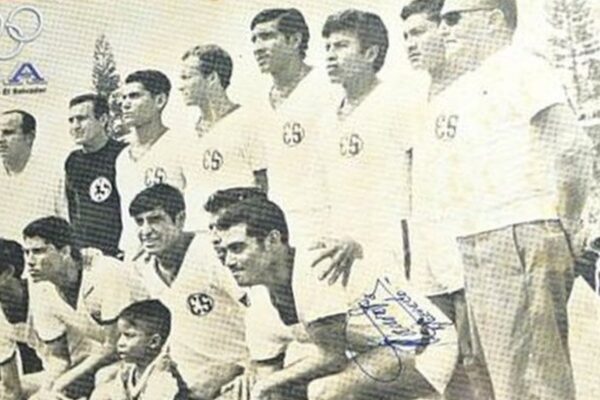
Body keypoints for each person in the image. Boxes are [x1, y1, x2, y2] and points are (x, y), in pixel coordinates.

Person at [430, 0, 593, 398]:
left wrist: (570, 221)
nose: (443, 28)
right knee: (511, 385)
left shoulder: (520, 66)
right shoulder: (472, 85)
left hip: (517, 235)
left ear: (493, 19)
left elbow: (571, 148)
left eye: (453, 18)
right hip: (484, 239)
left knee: (534, 385)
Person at [215, 196, 457, 400]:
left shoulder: (314, 266)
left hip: (426, 344)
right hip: (377, 352)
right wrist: (257, 388)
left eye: (238, 248)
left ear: (272, 240)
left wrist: (266, 385)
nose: (228, 261)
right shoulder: (258, 305)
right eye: (224, 252)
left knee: (325, 391)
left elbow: (332, 358)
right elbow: (267, 379)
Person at [400, 1, 477, 398]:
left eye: (419, 32)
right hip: (426, 243)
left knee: (475, 355)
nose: (410, 43)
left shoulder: (473, 89)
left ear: (444, 30)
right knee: (439, 356)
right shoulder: (414, 99)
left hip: (465, 241)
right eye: (406, 36)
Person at [319, 9, 415, 292]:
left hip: (390, 245)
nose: (330, 55)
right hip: (343, 249)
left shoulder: (397, 104)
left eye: (341, 46)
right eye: (327, 47)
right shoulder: (327, 119)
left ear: (371, 53)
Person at [128, 184, 248, 399]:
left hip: (234, 370)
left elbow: (258, 311)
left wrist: (244, 366)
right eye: (139, 222)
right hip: (182, 379)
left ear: (180, 219)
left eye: (155, 220)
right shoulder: (143, 268)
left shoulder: (212, 254)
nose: (146, 230)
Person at [23, 217, 140, 399]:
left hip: (150, 352)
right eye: (26, 252)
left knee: (103, 381)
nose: (29, 261)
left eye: (38, 251)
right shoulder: (40, 285)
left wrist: (62, 383)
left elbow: (113, 345)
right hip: (111, 359)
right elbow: (58, 358)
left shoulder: (107, 271)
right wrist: (46, 391)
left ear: (65, 251)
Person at [249, 8, 333, 251]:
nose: (257, 47)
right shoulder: (259, 103)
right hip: (280, 228)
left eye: (267, 36)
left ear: (295, 40)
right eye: (254, 39)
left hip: (324, 221)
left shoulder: (328, 87)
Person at [179, 45, 267, 230]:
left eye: (187, 77)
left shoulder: (249, 122)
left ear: (212, 77)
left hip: (235, 234)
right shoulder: (185, 134)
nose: (181, 86)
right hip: (196, 234)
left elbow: (264, 184)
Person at [115, 70, 187, 258]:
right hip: (133, 255)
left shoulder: (181, 145)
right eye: (123, 98)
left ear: (160, 100)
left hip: (172, 254)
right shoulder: (122, 158)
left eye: (134, 96)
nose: (125, 104)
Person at [66, 93, 127, 257]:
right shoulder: (73, 161)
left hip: (117, 251)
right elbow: (73, 209)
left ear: (103, 119)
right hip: (84, 253)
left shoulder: (123, 154)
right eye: (71, 120)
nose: (75, 126)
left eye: (82, 119)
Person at [89, 300, 189, 400]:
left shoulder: (164, 379)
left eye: (129, 336)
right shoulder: (130, 369)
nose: (120, 343)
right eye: (120, 335)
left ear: (154, 342)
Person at [0, 110, 66, 243]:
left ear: (29, 137)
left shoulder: (53, 176)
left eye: (8, 133)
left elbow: (66, 228)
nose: (1, 139)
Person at [0, 239, 39, 400]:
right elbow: (11, 387)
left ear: (7, 273)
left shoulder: (42, 293)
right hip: (41, 378)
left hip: (80, 370)